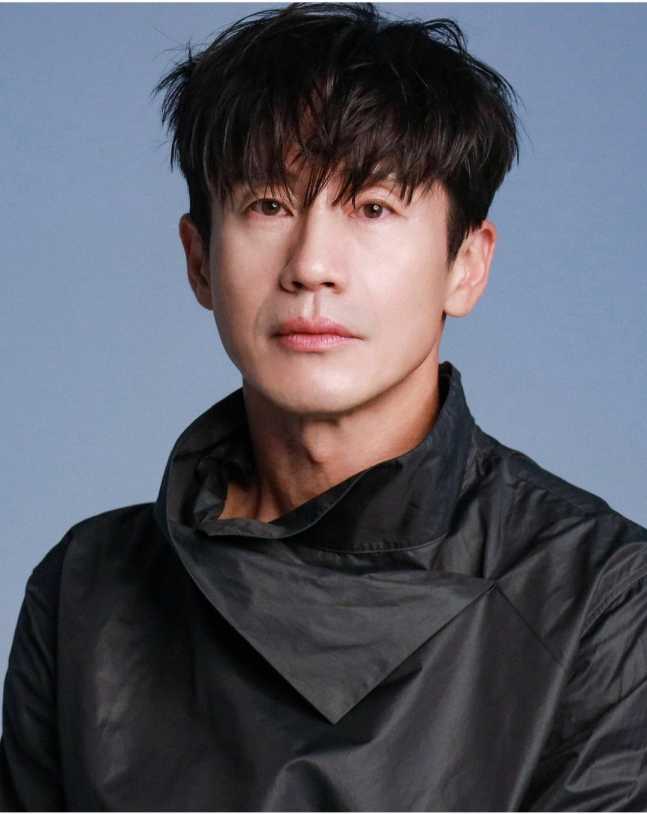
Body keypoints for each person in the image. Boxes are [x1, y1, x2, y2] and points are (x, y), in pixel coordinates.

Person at [1, 3, 646, 810]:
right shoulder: (86, 587)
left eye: (372, 207)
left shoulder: (600, 594)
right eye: (268, 205)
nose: (311, 265)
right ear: (199, 260)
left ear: (465, 265)